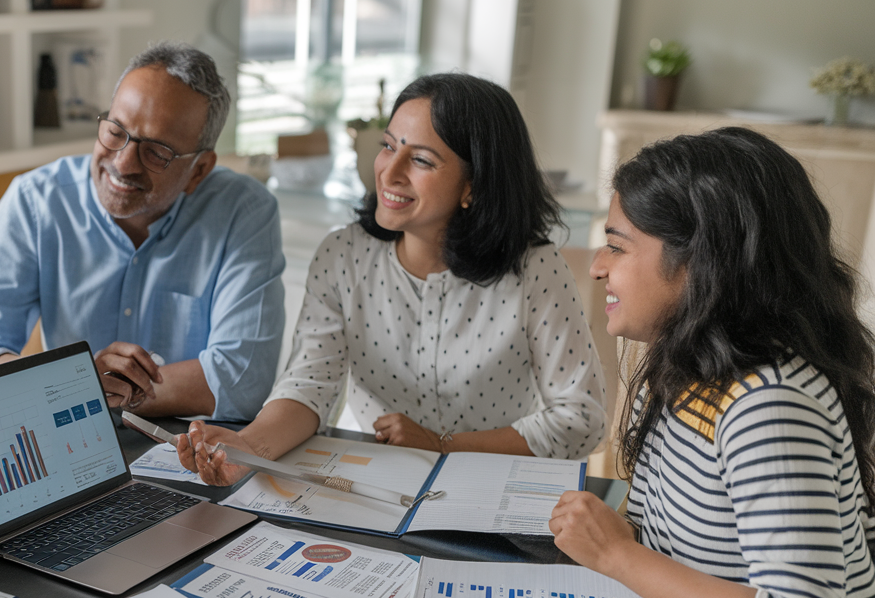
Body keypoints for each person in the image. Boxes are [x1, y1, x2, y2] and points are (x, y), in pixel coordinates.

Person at [550, 127, 875, 598]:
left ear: (700, 263)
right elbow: (657, 531)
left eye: (618, 247)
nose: (597, 268)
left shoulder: (770, 406)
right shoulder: (681, 371)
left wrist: (617, 555)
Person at [180, 73, 606, 484]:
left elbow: (581, 419)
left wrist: (444, 446)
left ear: (472, 186)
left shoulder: (534, 268)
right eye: (388, 146)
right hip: (378, 483)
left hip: (494, 488)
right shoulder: (342, 255)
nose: (389, 171)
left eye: (421, 159)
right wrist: (248, 446)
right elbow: (310, 383)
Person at [0, 42, 284, 422]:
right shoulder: (36, 201)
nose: (122, 163)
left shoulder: (243, 211)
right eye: (116, 131)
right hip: (69, 445)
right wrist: (74, 386)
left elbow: (243, 380)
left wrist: (92, 391)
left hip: (193, 453)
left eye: (156, 151)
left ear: (199, 170)